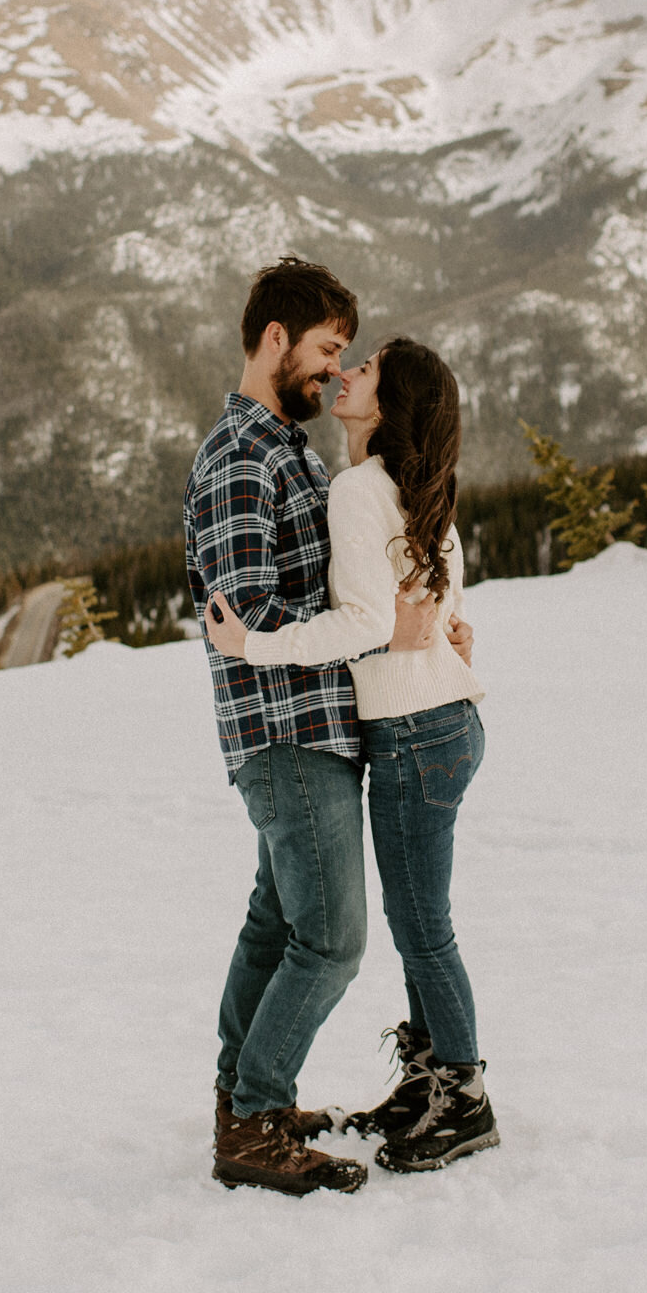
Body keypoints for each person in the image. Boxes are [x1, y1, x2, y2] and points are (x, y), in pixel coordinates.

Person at [207, 334, 496, 1174]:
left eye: (362, 369)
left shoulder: (359, 489)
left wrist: (256, 646)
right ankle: (429, 1080)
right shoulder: (417, 491)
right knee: (416, 927)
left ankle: (462, 1095)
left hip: (412, 731)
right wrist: (435, 639)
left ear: (389, 403)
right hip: (442, 724)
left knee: (422, 930)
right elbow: (430, 611)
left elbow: (371, 623)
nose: (344, 372)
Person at [186, 257, 442, 1197]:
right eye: (327, 352)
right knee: (332, 940)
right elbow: (246, 615)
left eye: (346, 357)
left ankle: (240, 1100)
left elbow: (335, 591)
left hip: (312, 730)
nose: (337, 373)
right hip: (284, 735)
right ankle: (254, 1119)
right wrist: (377, 633)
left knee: (277, 926)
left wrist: (398, 618)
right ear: (274, 339)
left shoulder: (288, 449)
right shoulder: (239, 459)